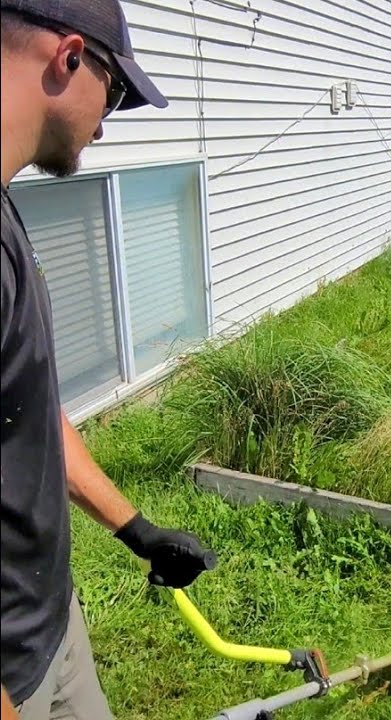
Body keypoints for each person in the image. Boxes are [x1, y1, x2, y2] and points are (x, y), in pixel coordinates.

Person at [1, 2, 217, 718]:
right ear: (67, 58)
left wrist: (138, 531)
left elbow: (27, 412)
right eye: (115, 93)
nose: (105, 121)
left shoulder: (5, 211)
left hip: (53, 626)